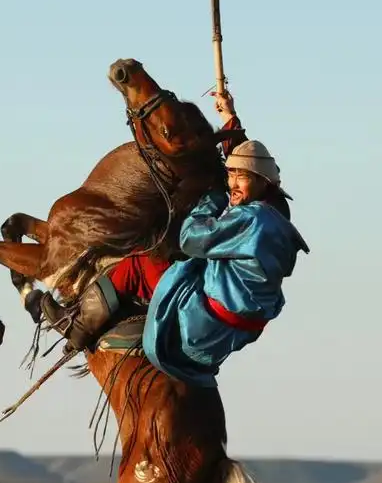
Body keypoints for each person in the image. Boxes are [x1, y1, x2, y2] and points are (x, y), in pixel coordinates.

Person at [41, 90, 309, 387]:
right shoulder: (277, 212)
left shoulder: (251, 220)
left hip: (205, 321)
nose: (232, 182)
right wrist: (229, 118)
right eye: (230, 174)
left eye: (239, 177)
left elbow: (190, 238)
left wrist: (211, 199)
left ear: (262, 181)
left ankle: (75, 327)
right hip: (242, 327)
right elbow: (247, 171)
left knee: (139, 263)